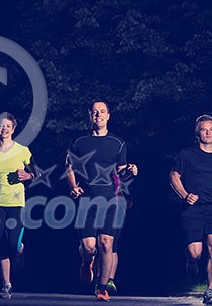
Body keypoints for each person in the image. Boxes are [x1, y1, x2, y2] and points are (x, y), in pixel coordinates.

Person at [65, 100, 138, 302]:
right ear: (90, 116)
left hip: (110, 201)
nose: (98, 115)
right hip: (86, 201)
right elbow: (69, 167)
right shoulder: (79, 142)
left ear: (108, 116)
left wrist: (130, 170)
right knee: (89, 247)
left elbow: (121, 173)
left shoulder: (118, 143)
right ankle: (87, 261)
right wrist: (73, 186)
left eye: (102, 112)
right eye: (95, 112)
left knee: (106, 244)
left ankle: (102, 287)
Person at [170, 114, 212, 305]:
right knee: (195, 252)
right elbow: (174, 176)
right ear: (198, 133)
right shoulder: (187, 154)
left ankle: (210, 290)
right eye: (204, 129)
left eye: (211, 129)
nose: (208, 132)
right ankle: (191, 261)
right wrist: (184, 195)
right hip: (193, 208)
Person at [0, 112, 39, 299]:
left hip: (15, 204)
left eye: (8, 126)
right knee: (0, 246)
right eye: (1, 126)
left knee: (12, 246)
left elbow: (36, 174)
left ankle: (20, 247)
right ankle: (7, 285)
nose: (4, 129)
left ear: (13, 129)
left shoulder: (22, 151)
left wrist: (28, 176)